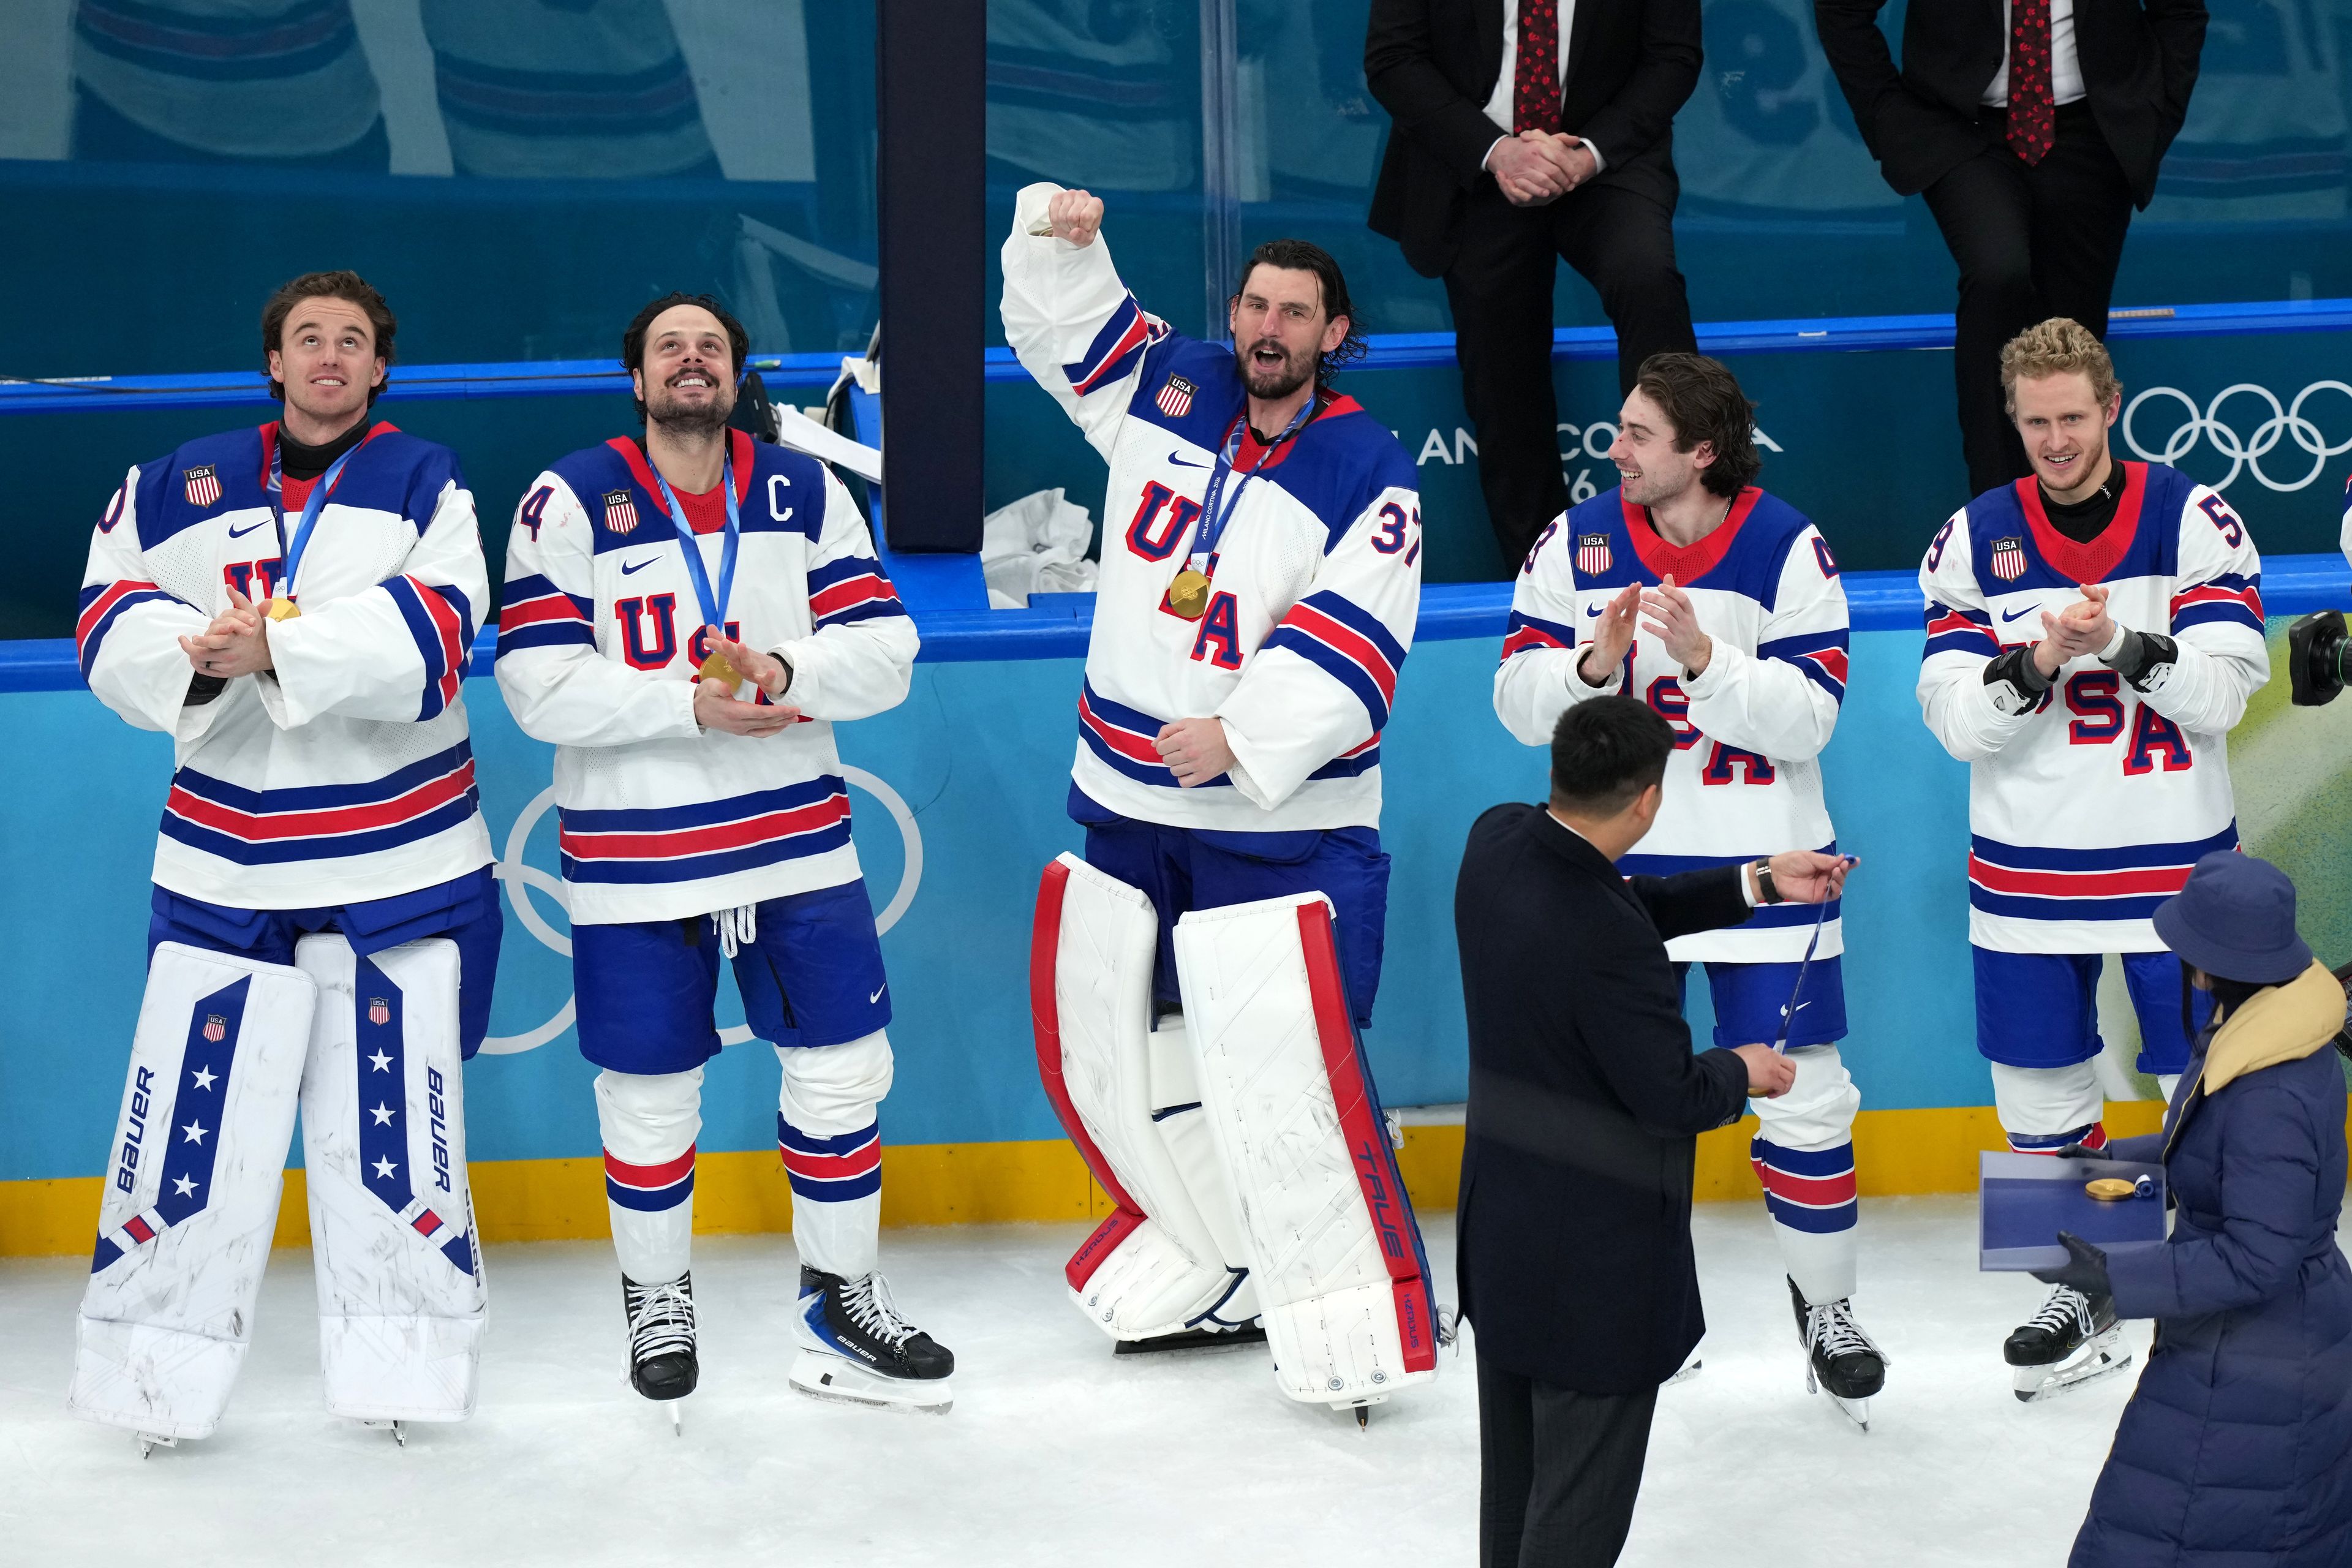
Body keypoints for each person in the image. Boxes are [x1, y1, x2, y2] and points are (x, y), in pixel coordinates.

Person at [1002, 185, 1436, 1379]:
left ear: (1334, 335)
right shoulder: (1171, 382)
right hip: (1132, 806)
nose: (1268, 325)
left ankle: (1359, 1302)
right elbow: (1055, 331)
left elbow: (1360, 639)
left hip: (1280, 821)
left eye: (1296, 312)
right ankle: (1222, 1260)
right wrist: (1058, 230)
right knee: (1152, 1051)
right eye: (1254, 302)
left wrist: (1243, 736)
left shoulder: (1370, 467)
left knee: (1297, 1059)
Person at [494, 292, 949, 1419]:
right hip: (637, 858)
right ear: (636, 377)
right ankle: (658, 1299)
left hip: (796, 843)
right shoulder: (569, 498)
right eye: (669, 349)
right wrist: (687, 706)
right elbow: (535, 683)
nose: (691, 363)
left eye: (711, 347)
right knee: (648, 1099)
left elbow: (887, 650)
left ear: (738, 372)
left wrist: (789, 674)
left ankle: (842, 1298)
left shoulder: (803, 489)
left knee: (846, 1071)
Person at [70, 270, 499, 1447]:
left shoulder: (428, 481)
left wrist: (281, 642)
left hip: (396, 861)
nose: (327, 357)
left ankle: (405, 1368)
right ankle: (153, 1371)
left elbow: (446, 628)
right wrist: (206, 658)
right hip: (227, 867)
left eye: (351, 342)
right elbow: (107, 617)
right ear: (274, 361)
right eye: (307, 338)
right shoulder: (176, 483)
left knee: (392, 1125)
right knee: (188, 1130)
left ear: (378, 369)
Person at [1493, 352, 1888, 1424]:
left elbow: (1813, 720)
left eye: (1637, 435)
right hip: (1615, 875)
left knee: (1806, 1100)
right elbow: (1515, 705)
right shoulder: (1574, 545)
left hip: (1768, 867)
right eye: (1617, 429)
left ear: (1702, 452)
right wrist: (1585, 667)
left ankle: (1829, 1311)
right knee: (1619, 1110)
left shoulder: (1784, 545)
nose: (1613, 450)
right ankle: (1628, 1308)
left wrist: (1708, 662)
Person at [1913, 317, 2267, 1401]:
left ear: (2111, 407)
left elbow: (2226, 690)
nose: (2056, 440)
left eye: (2073, 417)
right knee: (2036, 1086)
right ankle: (2082, 1283)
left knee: (2203, 1087)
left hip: (2178, 876)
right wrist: (2036, 658)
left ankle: (2219, 1283)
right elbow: (1955, 727)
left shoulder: (2193, 516)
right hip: (2027, 874)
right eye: (2035, 423)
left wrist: (2119, 645)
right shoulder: (1973, 540)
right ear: (2011, 420)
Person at [1457, 697, 1847, 1567]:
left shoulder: (1498, 843)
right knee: (1576, 1509)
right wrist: (1740, 1068)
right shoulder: (1607, 941)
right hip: (1591, 1270)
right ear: (1647, 801)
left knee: (1514, 1487)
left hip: (1504, 1239)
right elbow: (1670, 1094)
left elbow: (1618, 902)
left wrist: (1754, 880)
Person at [2038, 853, 2352, 1566]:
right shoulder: (2266, 1024)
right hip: (2263, 1348)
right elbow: (2220, 1148)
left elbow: (2258, 1257)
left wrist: (2120, 1281)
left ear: (2207, 964)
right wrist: (2113, 1161)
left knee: (2166, 1533)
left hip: (2256, 1368)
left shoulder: (2270, 1083)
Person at [1816, 0, 2208, 497]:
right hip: (1959, 127)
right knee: (1997, 270)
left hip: (2093, 130)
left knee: (2074, 326)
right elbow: (1841, 10)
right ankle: (1997, 512)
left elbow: (2182, 12)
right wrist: (1886, 116)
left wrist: (2157, 110)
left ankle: (2074, 512)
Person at [1365, 0, 1702, 571]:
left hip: (1606, 155)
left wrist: (1588, 155)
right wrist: (1498, 153)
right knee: (1503, 374)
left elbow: (1672, 57)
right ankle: (1543, 578)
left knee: (1646, 278)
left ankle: (1680, 531)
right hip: (1473, 158)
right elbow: (1394, 59)